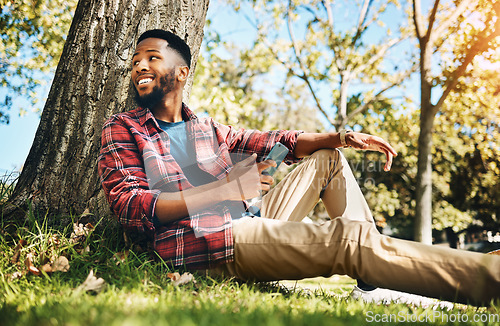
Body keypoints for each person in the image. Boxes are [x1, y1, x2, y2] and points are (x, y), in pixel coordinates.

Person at [98, 29, 500, 306]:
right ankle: (489, 277)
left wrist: (340, 137)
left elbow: (278, 141)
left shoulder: (205, 127)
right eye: (135, 61)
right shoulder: (123, 128)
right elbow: (133, 207)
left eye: (152, 58)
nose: (139, 67)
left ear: (182, 72)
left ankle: (371, 276)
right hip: (209, 244)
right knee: (347, 240)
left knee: (328, 160)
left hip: (250, 218)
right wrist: (227, 189)